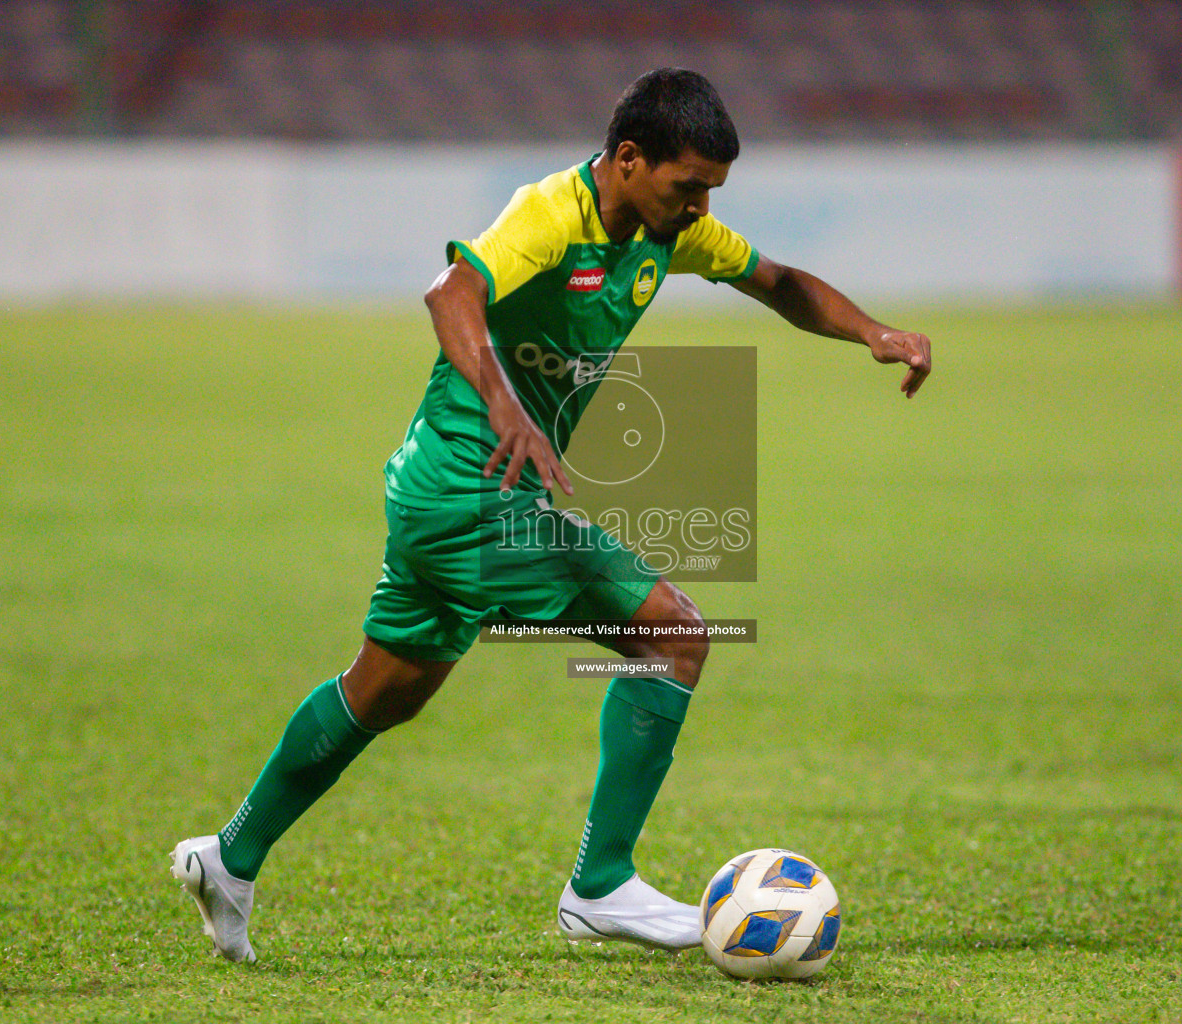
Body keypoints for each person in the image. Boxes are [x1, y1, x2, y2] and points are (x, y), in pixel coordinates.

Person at [170, 68, 932, 963]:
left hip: (443, 492)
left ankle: (231, 856)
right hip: (471, 490)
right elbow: (451, 293)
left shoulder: (665, 232)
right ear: (629, 159)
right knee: (676, 635)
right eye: (689, 187)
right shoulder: (550, 214)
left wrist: (872, 331)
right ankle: (600, 885)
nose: (699, 208)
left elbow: (778, 280)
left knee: (384, 689)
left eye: (710, 193)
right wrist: (505, 404)